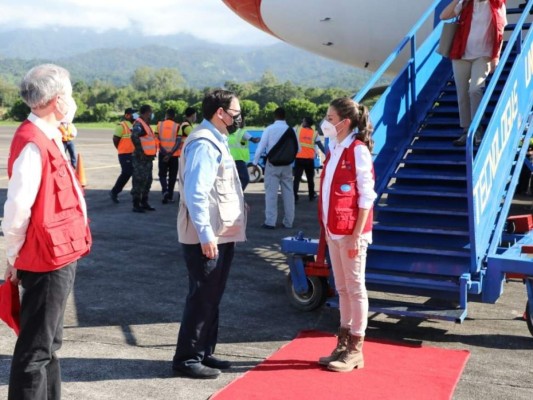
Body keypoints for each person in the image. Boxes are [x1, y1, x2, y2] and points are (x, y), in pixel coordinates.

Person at [2, 63, 92, 399]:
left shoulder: (49, 134)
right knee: (35, 350)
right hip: (45, 259)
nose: (72, 99)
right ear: (56, 99)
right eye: (68, 93)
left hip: (60, 254)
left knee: (50, 344)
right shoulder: (32, 142)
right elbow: (16, 210)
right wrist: (14, 256)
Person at [172, 89, 246, 380]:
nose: (238, 116)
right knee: (202, 296)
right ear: (221, 113)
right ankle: (186, 359)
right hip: (207, 234)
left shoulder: (218, 139)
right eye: (236, 111)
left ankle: (203, 352)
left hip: (220, 231)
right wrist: (205, 235)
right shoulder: (204, 143)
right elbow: (195, 193)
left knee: (212, 295)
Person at [317, 97, 376, 373]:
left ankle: (355, 349)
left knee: (355, 288)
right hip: (334, 231)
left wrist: (355, 234)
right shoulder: (334, 147)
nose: (326, 122)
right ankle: (342, 343)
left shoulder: (357, 149)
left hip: (351, 233)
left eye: (330, 118)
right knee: (341, 288)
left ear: (345, 122)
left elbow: (367, 196)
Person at [440, 0, 507, 146]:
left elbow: (500, 29)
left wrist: (497, 56)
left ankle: (477, 128)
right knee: (462, 93)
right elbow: (443, 16)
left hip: (483, 55)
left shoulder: (497, 4)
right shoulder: (465, 3)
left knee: (475, 89)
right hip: (461, 54)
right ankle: (466, 130)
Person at [253, 107, 298, 229]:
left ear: (275, 116)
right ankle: (289, 222)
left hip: (272, 165)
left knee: (271, 194)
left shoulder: (270, 129)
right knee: (289, 193)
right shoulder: (291, 130)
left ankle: (270, 222)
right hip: (287, 165)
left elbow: (261, 147)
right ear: (285, 116)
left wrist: (255, 163)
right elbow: (298, 148)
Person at [131, 104, 157, 213]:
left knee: (148, 180)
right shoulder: (139, 124)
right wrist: (141, 151)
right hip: (141, 158)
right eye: (150, 112)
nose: (151, 114)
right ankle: (136, 204)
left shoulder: (146, 124)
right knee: (139, 180)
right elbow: (134, 137)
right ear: (146, 113)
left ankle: (144, 202)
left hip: (148, 158)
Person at [293, 116, 326, 202]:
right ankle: (311, 195)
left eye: (303, 121)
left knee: (297, 179)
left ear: (306, 123)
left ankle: (294, 196)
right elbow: (321, 146)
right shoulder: (314, 133)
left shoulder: (298, 130)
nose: (302, 122)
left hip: (299, 158)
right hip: (309, 159)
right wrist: (328, 154)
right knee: (310, 179)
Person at [110, 107, 137, 203]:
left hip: (134, 154)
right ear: (127, 115)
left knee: (136, 173)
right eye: (133, 114)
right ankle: (115, 191)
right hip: (124, 154)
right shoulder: (121, 126)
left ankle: (135, 194)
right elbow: (115, 139)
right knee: (127, 172)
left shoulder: (135, 125)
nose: (135, 116)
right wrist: (120, 148)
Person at [228, 115, 260, 191]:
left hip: (229, 160)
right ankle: (238, 194)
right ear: (241, 122)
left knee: (232, 180)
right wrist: (262, 138)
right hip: (239, 160)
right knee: (245, 179)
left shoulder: (227, 132)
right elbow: (254, 140)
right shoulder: (242, 132)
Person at [156, 108, 180, 204]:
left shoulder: (159, 125)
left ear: (166, 115)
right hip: (173, 155)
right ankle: (170, 196)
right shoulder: (177, 126)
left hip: (162, 154)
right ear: (174, 116)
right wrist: (170, 154)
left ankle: (164, 191)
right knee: (172, 176)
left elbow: (156, 139)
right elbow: (178, 141)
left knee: (162, 174)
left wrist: (165, 153)